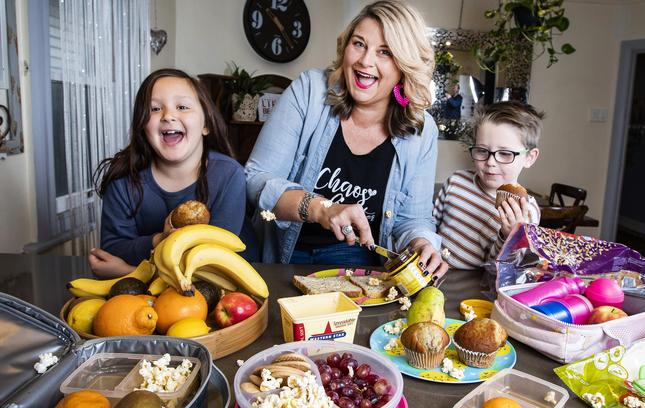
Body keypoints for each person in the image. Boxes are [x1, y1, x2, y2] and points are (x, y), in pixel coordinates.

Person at [245, 1, 448, 278]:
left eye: (385, 52)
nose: (365, 61)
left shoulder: (421, 131)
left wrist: (422, 242)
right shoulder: (309, 91)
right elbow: (255, 178)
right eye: (359, 44)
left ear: (404, 65)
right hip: (283, 255)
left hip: (358, 262)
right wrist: (320, 208)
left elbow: (413, 218)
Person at [90, 68, 247, 278]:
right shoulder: (122, 179)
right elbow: (112, 251)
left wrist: (130, 272)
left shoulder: (229, 176)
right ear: (142, 126)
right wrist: (160, 238)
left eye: (182, 106)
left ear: (206, 124)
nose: (168, 116)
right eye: (154, 109)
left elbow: (212, 265)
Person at [433, 101, 543, 269]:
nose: (490, 162)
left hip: (472, 289)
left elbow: (500, 269)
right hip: (430, 274)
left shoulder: (526, 211)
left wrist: (508, 237)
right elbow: (430, 224)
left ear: (530, 157)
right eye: (482, 151)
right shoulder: (456, 181)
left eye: (505, 154)